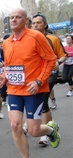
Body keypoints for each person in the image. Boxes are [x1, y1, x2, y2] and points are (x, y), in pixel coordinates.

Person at [0, 8, 60, 158]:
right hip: (15, 90)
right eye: (11, 18)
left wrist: (39, 81)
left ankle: (50, 131)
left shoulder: (36, 36)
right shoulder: (7, 43)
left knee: (34, 131)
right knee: (15, 125)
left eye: (18, 17)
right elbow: (10, 66)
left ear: (26, 21)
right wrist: (3, 77)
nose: (14, 20)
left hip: (34, 90)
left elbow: (51, 59)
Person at [32, 13, 67, 146]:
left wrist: (58, 61)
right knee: (41, 102)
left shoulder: (53, 39)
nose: (35, 25)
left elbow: (63, 55)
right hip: (35, 75)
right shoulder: (29, 39)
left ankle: (46, 133)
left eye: (38, 23)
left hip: (50, 73)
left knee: (44, 101)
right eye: (34, 23)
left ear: (45, 25)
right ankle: (50, 127)